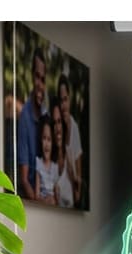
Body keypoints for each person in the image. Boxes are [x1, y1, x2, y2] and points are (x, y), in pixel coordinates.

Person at [15, 48, 48, 200]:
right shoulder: (24, 119)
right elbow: (24, 179)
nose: (40, 84)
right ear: (31, 77)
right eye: (37, 77)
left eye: (43, 79)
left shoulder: (47, 116)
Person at [55, 73, 83, 207]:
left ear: (70, 99)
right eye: (61, 100)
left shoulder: (75, 129)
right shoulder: (56, 127)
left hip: (70, 199)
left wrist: (75, 181)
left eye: (65, 99)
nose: (63, 105)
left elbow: (78, 176)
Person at [51, 105, 75, 208]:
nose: (57, 128)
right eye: (54, 123)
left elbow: (76, 195)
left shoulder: (69, 154)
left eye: (59, 121)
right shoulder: (48, 158)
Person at [34, 114, 59, 206]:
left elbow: (57, 197)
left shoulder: (55, 167)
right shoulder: (38, 163)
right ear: (41, 140)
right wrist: (45, 201)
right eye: (44, 138)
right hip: (43, 204)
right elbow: (36, 195)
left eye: (49, 140)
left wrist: (54, 201)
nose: (46, 144)